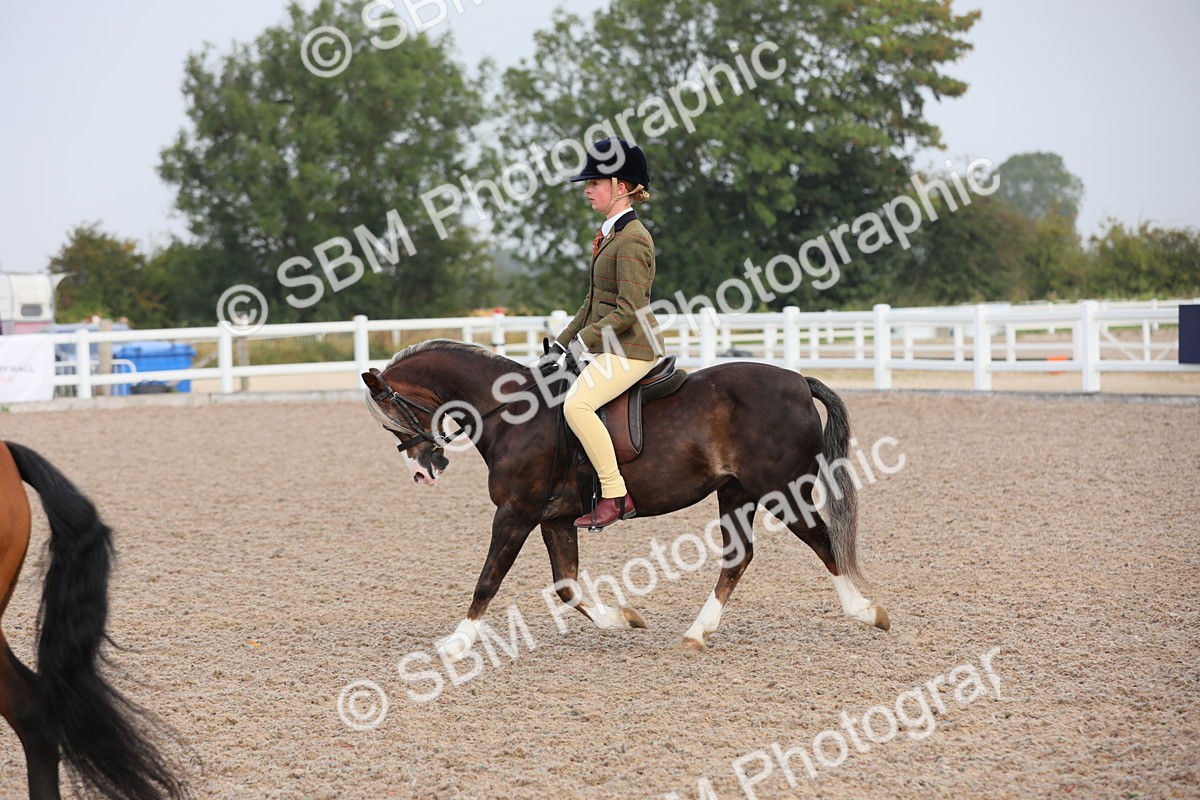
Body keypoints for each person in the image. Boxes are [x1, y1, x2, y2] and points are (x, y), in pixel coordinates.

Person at [545, 137, 666, 530]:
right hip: (610, 344)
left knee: (576, 406)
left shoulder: (633, 239)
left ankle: (615, 494)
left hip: (632, 349)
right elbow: (593, 301)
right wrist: (561, 343)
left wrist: (585, 342)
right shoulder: (610, 235)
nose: (587, 190)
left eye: (595, 182)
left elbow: (628, 310)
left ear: (621, 186)